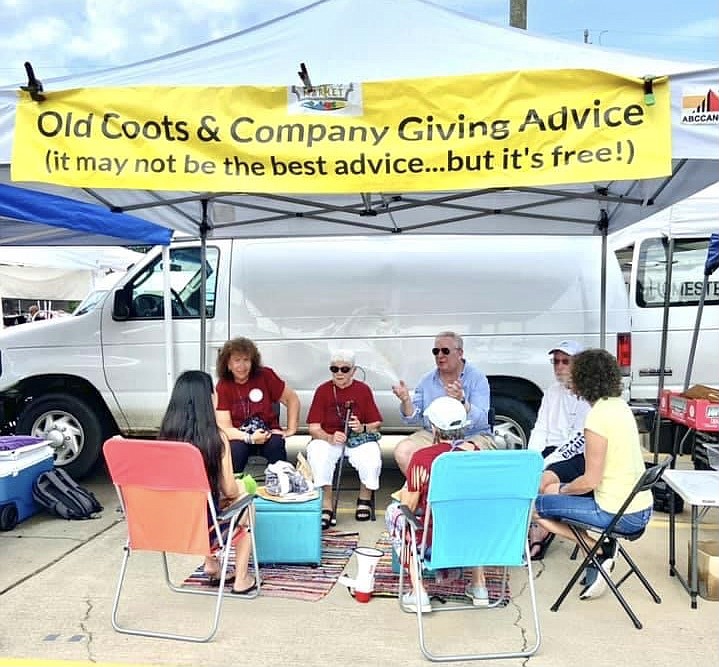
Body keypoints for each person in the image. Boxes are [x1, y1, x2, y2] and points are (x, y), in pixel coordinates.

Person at [534, 349, 653, 600]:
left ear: (582, 379)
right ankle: (599, 550)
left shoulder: (597, 417)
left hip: (618, 514)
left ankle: (596, 548)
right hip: (641, 507)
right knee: (561, 500)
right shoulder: (619, 406)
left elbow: (590, 481)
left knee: (534, 506)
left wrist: (563, 489)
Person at [385, 396, 492, 613]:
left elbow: (410, 507)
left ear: (434, 429)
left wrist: (405, 495)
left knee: (395, 513)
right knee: (474, 517)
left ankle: (419, 592)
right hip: (471, 539)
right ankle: (479, 586)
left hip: (435, 542)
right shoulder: (477, 455)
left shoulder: (423, 458)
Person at [158, 370, 256, 595]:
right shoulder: (215, 438)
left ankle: (212, 564)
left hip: (164, 527)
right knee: (246, 503)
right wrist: (243, 487)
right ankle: (241, 579)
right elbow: (230, 489)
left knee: (202, 500)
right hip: (202, 531)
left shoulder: (165, 437)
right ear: (209, 398)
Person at [392, 331, 493, 474]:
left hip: (471, 434)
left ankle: (456, 492)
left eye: (445, 351)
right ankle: (427, 491)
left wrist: (462, 401)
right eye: (436, 351)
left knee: (460, 456)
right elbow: (413, 418)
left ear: (460, 353)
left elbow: (483, 421)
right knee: (403, 451)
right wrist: (406, 400)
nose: (440, 355)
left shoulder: (477, 378)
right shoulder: (427, 380)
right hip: (434, 434)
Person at [527, 340, 591, 560]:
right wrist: (531, 458)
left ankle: (540, 530)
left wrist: (545, 463)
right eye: (556, 361)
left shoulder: (589, 395)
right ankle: (538, 525)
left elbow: (579, 439)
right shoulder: (551, 392)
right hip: (551, 449)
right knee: (525, 475)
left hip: (577, 455)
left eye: (566, 361)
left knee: (543, 481)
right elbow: (540, 428)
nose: (559, 366)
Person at [306, 350, 383, 529]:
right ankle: (327, 504)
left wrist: (362, 427)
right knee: (318, 454)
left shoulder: (363, 390)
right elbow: (313, 427)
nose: (339, 373)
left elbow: (376, 423)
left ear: (353, 371)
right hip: (330, 438)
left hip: (357, 438)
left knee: (371, 457)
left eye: (344, 369)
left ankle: (364, 497)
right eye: (335, 369)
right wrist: (328, 437)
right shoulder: (323, 390)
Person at [215, 337, 300, 473]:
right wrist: (250, 438)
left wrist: (291, 429)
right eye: (237, 360)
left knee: (276, 444)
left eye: (246, 360)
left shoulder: (265, 375)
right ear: (228, 365)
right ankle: (235, 490)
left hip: (268, 431)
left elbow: (292, 399)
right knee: (235, 449)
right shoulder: (223, 386)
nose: (242, 366)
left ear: (253, 361)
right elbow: (225, 428)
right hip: (239, 435)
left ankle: (281, 485)